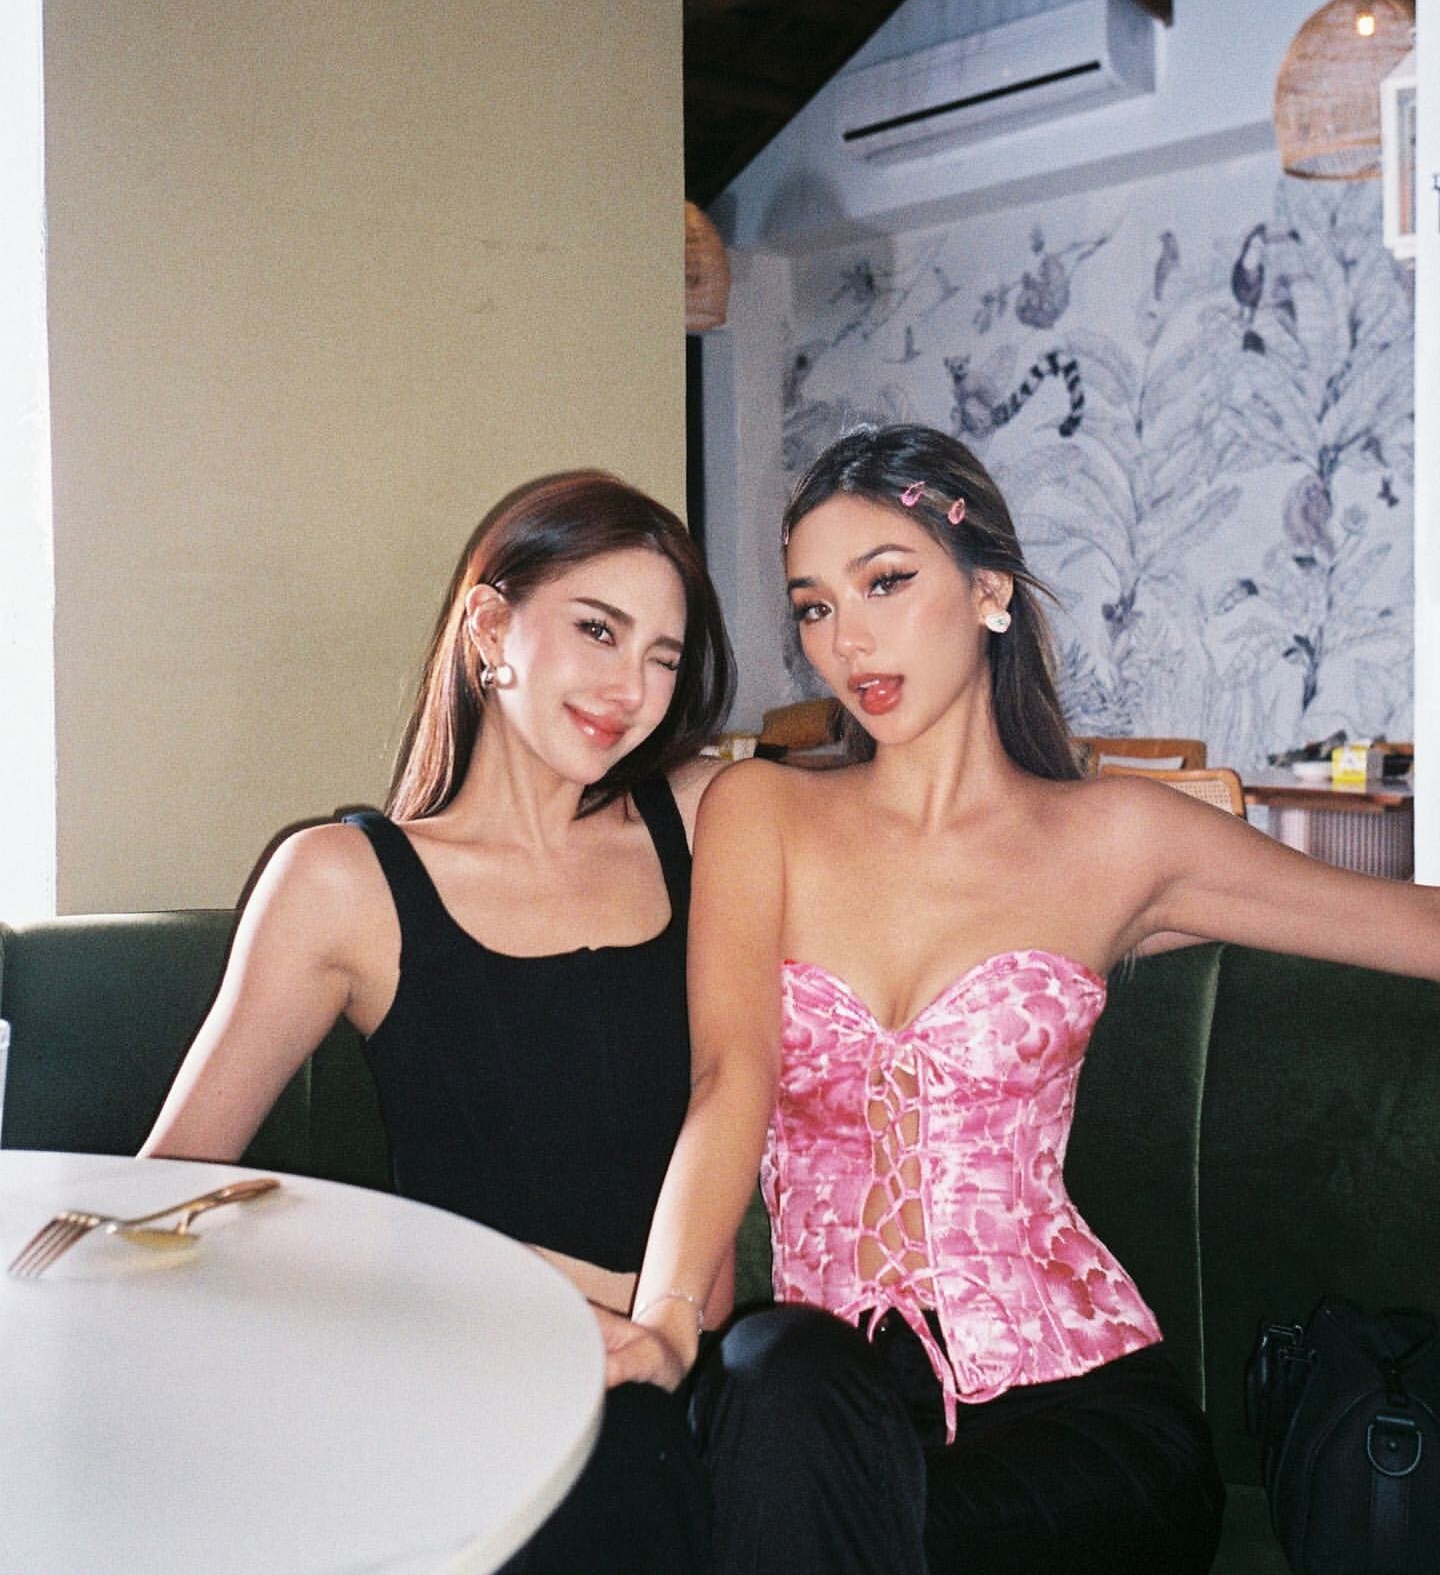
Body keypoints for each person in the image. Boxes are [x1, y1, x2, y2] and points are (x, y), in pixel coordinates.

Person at [604, 423, 1440, 1575]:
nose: (848, 641)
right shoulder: (764, 813)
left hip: (1081, 1422)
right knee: (773, 1374)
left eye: (886, 582)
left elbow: (1413, 928)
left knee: (784, 1514)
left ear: (989, 588)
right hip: (831, 1406)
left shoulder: (1117, 838)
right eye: (814, 607)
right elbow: (728, 1079)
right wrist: (664, 1319)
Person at [143, 468, 735, 1574]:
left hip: (698, 1371)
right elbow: (166, 1189)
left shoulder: (704, 818)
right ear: (490, 629)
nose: (632, 687)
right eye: (597, 629)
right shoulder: (342, 879)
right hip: (474, 1369)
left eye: (663, 656)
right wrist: (418, 1274)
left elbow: (908, 822)